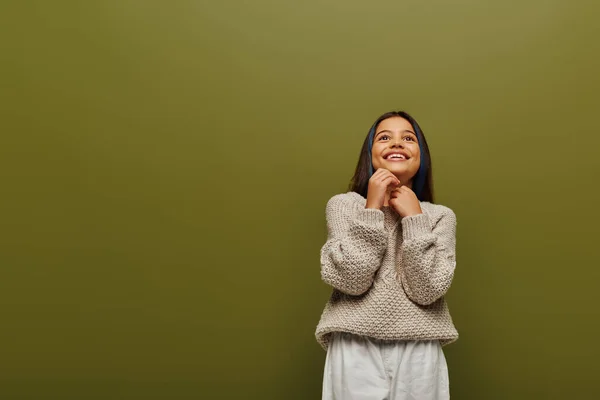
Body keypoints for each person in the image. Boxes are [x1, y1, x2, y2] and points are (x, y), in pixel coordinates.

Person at [315, 111, 459, 400]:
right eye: (384, 138)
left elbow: (427, 290)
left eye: (408, 138)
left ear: (421, 157)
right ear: (370, 154)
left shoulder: (440, 216)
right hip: (354, 343)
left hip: (419, 346)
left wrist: (415, 217)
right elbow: (350, 279)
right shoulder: (343, 206)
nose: (397, 143)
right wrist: (372, 209)